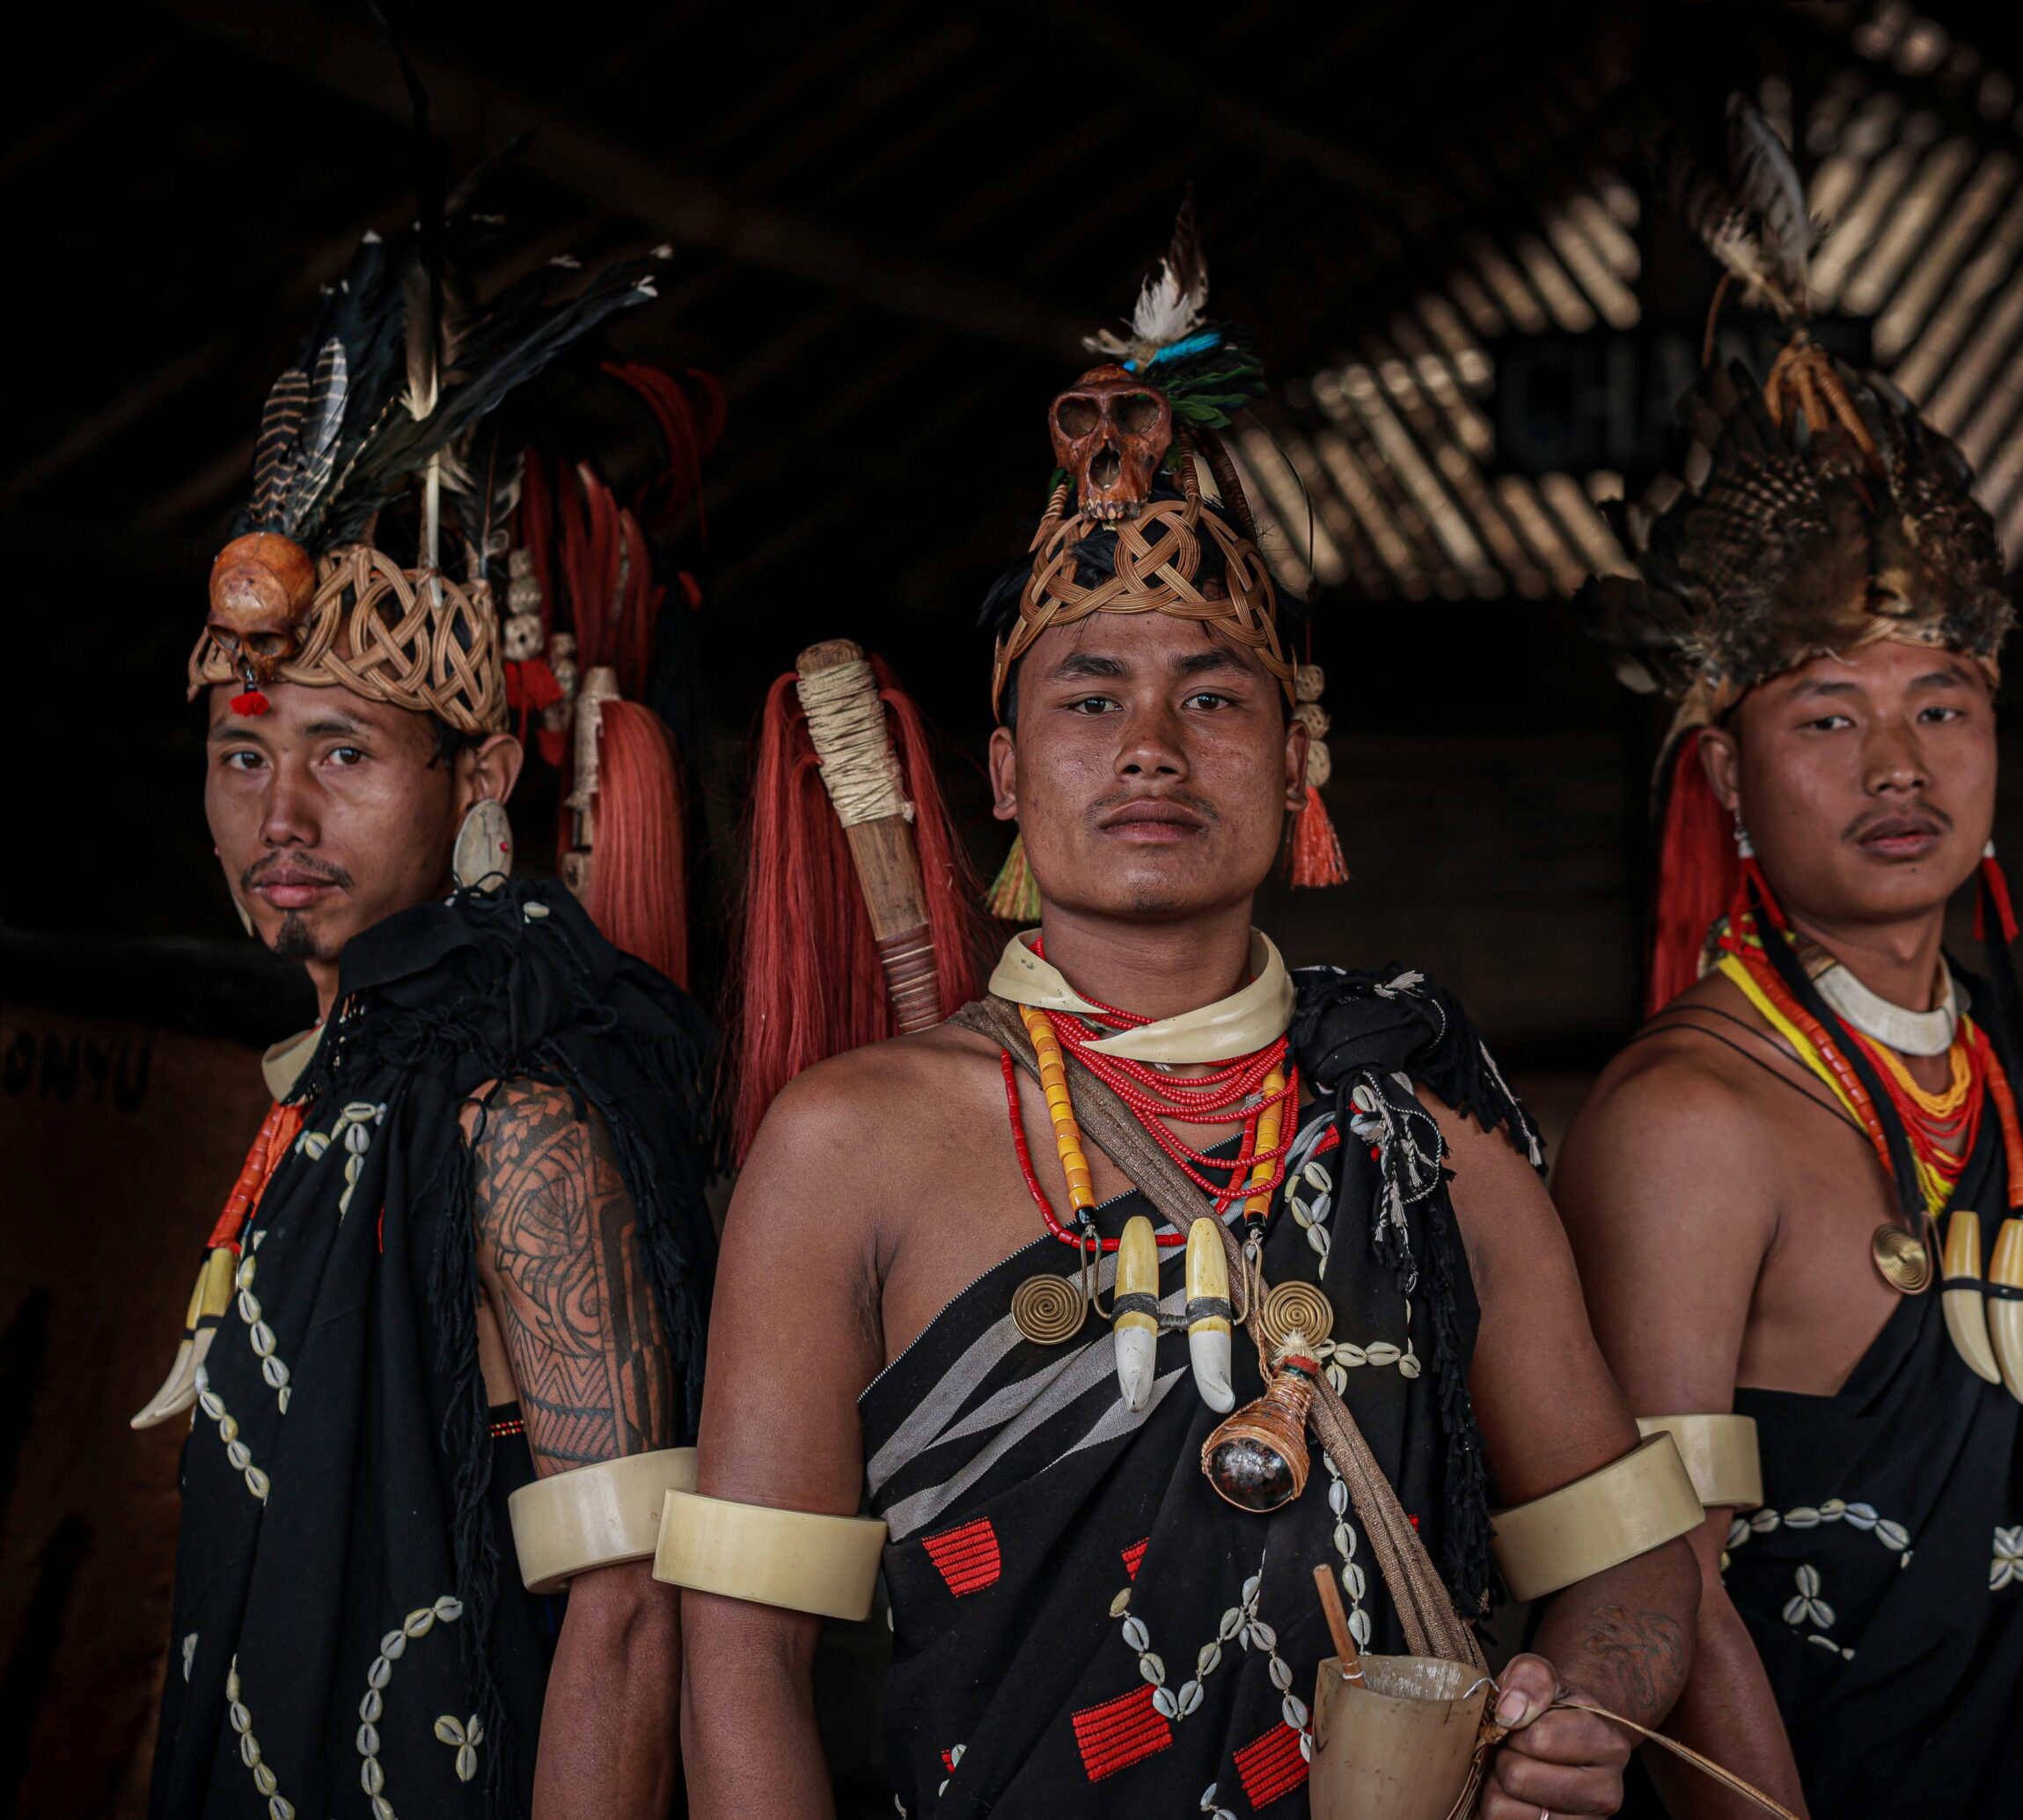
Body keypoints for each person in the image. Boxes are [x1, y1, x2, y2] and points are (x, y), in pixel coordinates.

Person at [669, 215, 1703, 1820]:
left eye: (1215, 697)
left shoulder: (1424, 1134)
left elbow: (1635, 1570)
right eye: (1088, 697)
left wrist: (1590, 1709)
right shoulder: (850, 1145)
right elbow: (738, 1662)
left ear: (1299, 767)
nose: (1151, 743)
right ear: (1007, 773)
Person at [1559, 95, 2023, 1819]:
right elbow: (1655, 1586)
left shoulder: (1992, 1064)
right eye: (1825, 713)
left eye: (1938, 704)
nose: (1897, 765)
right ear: (1725, 776)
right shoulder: (1688, 1119)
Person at [137, 206, 717, 1820]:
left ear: (478, 778)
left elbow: (628, 1608)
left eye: (346, 752)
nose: (282, 815)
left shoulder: (508, 1111)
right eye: (243, 755)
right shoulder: (338, 1087)